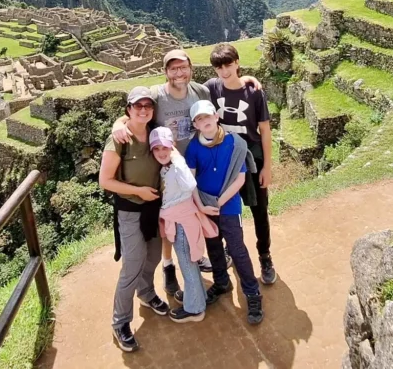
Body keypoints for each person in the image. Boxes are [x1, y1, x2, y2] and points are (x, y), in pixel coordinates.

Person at [110, 48, 263, 300]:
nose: (179, 73)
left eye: (183, 67)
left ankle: (197, 258)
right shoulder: (157, 95)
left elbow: (226, 85)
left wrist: (245, 78)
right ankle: (169, 267)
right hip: (166, 167)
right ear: (165, 72)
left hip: (197, 165)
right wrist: (119, 124)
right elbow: (137, 110)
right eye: (173, 68)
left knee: (194, 216)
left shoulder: (200, 91)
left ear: (191, 68)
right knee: (169, 219)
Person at [98, 86, 171, 353]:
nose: (143, 110)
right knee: (132, 265)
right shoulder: (119, 139)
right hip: (130, 209)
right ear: (128, 109)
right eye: (137, 106)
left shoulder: (155, 133)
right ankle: (120, 322)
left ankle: (147, 293)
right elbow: (105, 181)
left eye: (147, 106)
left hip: (154, 208)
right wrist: (138, 191)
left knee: (153, 256)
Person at [185, 99, 264, 325]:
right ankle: (221, 282)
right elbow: (190, 181)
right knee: (213, 246)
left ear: (216, 117)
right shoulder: (194, 147)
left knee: (237, 249)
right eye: (199, 119)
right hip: (205, 205)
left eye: (207, 116)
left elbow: (240, 178)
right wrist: (201, 206)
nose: (205, 121)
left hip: (228, 206)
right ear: (196, 125)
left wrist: (219, 202)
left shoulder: (234, 143)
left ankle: (252, 293)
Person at [207, 43, 277, 285]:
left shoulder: (254, 93)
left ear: (237, 62)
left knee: (260, 211)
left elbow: (265, 130)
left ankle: (264, 255)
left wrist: (267, 166)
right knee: (227, 210)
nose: (224, 71)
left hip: (252, 159)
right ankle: (231, 248)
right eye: (219, 67)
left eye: (228, 65)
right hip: (224, 162)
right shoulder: (211, 88)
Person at [151, 126, 217, 323]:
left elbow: (189, 185)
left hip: (182, 223)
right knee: (189, 263)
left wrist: (178, 159)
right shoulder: (168, 166)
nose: (161, 152)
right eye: (156, 149)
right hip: (180, 220)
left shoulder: (176, 165)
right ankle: (197, 296)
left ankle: (195, 309)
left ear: (172, 147)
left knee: (187, 265)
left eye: (165, 147)